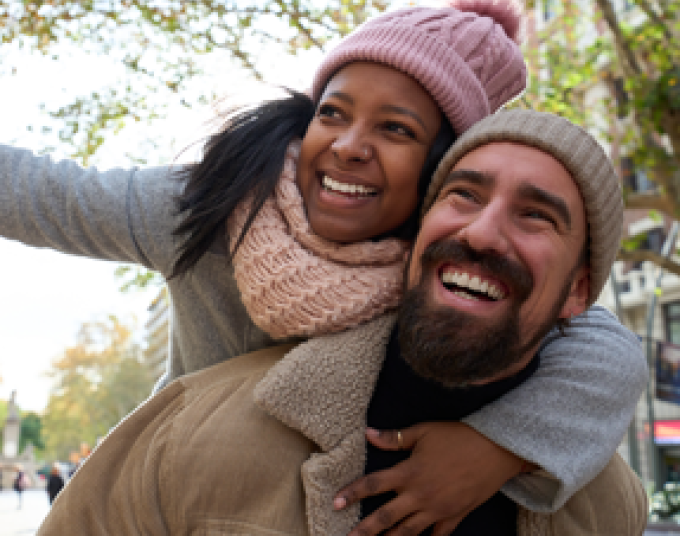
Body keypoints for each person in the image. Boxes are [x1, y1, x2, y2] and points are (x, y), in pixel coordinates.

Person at [1, 0, 645, 530]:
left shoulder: (447, 254)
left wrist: (498, 447)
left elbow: (604, 348)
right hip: (207, 491)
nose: (350, 146)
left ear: (438, 173)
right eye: (331, 113)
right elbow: (43, 194)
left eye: (396, 130)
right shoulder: (215, 205)